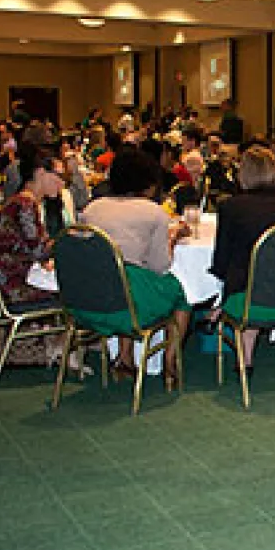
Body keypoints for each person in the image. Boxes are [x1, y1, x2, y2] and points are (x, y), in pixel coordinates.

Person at [78, 150, 192, 386]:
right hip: (130, 293)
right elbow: (160, 266)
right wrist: (172, 239)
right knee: (179, 294)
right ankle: (170, 360)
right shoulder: (153, 212)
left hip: (90, 294)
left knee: (124, 279)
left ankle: (125, 356)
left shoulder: (92, 209)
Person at [209, 148, 275, 373]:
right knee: (260, 278)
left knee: (245, 280)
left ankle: (244, 357)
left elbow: (221, 262)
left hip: (251, 299)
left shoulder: (232, 207)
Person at [0, 148, 62, 305]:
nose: (62, 183)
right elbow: (39, 251)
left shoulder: (19, 201)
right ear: (41, 173)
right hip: (17, 281)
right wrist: (66, 240)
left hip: (12, 273)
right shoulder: (25, 205)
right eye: (59, 176)